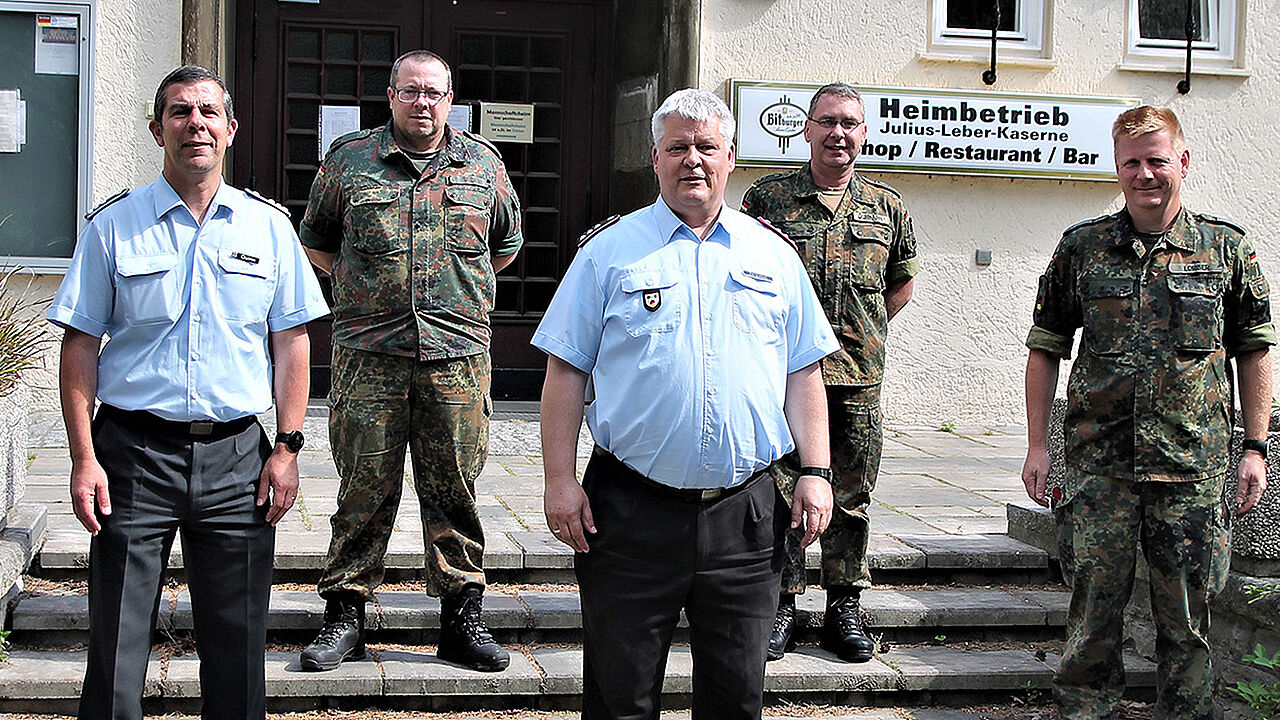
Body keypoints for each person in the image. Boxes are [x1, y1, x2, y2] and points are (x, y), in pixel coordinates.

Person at [535, 88, 839, 720]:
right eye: (678, 147)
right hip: (628, 511)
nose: (692, 160)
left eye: (707, 147)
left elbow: (803, 371)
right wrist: (559, 481)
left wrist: (816, 471)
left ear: (731, 157)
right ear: (655, 159)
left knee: (736, 698)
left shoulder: (773, 255)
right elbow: (565, 371)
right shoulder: (608, 252)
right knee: (621, 698)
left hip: (744, 513)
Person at [47, 65, 329, 720]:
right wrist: (83, 457)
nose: (194, 123)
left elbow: (293, 343)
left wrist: (286, 448)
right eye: (179, 112)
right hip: (133, 454)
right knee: (117, 640)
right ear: (157, 130)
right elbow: (80, 345)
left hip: (238, 459)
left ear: (230, 130)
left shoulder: (268, 228)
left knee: (238, 643)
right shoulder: (113, 227)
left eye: (208, 112)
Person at [1021, 105, 1274, 720]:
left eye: (1157, 160)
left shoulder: (1226, 249)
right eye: (1131, 162)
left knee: (1187, 622)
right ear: (1117, 167)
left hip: (1192, 467)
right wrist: (1037, 446)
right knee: (1091, 618)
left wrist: (1255, 447)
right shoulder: (1081, 248)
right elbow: (1045, 346)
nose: (1145, 174)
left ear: (1182, 162)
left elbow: (1255, 350)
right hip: (1097, 467)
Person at [297, 49, 523, 673]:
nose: (422, 103)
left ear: (450, 99)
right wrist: (364, 289)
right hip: (368, 357)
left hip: (456, 357)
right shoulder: (349, 161)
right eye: (410, 91)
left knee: (455, 488)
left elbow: (502, 249)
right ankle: (345, 614)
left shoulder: (484, 164)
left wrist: (448, 296)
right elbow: (316, 241)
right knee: (362, 488)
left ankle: (462, 617)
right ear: (390, 96)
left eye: (434, 93)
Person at [741, 82, 918, 662]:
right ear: (806, 127)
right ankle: (782, 603)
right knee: (783, 489)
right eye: (826, 122)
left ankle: (844, 602)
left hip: (858, 378)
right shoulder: (767, 201)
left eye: (849, 123)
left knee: (851, 495)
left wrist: (856, 334)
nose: (837, 133)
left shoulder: (888, 207)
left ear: (864, 133)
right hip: (783, 378)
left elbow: (900, 287)